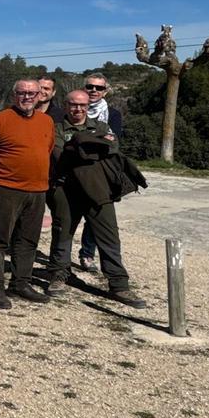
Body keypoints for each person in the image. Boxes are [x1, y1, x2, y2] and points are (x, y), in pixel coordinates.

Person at [46, 90, 147, 308]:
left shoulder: (101, 126)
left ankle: (119, 284)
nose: (78, 109)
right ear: (65, 105)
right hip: (66, 189)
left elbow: (112, 147)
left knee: (109, 235)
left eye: (82, 105)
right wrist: (90, 145)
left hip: (98, 190)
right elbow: (59, 154)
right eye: (73, 105)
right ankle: (58, 275)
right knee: (62, 232)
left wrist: (81, 144)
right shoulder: (55, 129)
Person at [0, 79, 55, 308]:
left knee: (28, 240)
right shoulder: (0, 120)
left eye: (32, 93)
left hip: (37, 189)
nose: (27, 97)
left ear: (40, 96)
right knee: (0, 239)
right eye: (22, 93)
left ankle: (20, 282)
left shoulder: (46, 121)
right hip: (7, 188)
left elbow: (48, 149)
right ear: (14, 95)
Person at [78, 73, 123, 271]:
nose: (94, 91)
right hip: (75, 170)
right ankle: (60, 262)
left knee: (95, 216)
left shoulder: (112, 115)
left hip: (101, 172)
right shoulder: (75, 110)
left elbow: (113, 143)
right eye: (90, 87)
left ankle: (87, 254)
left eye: (99, 88)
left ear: (106, 91)